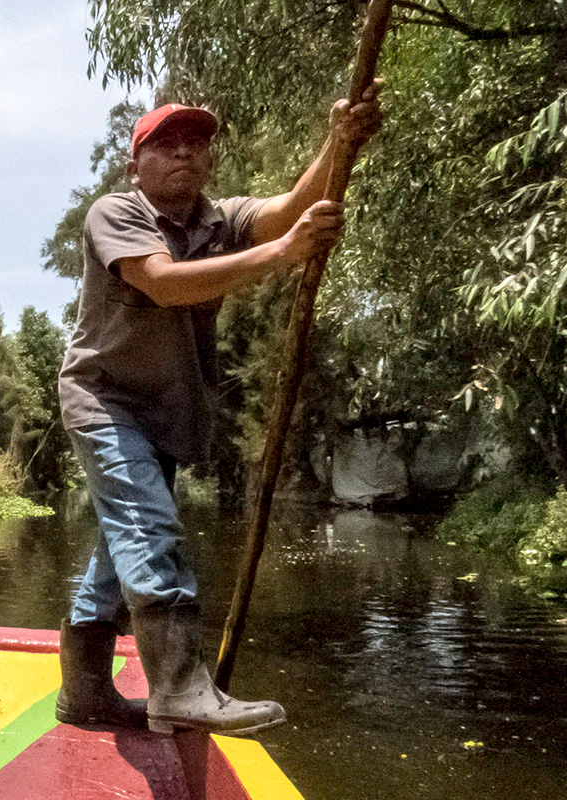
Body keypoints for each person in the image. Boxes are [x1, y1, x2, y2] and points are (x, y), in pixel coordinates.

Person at [54, 91, 383, 735]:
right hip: (105, 399)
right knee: (149, 531)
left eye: (196, 143)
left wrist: (339, 143)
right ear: (135, 164)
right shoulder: (115, 212)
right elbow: (164, 282)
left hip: (168, 411)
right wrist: (285, 253)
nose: (183, 152)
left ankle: (84, 694)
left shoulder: (218, 220)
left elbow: (288, 209)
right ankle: (177, 688)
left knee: (116, 549)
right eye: (164, 144)